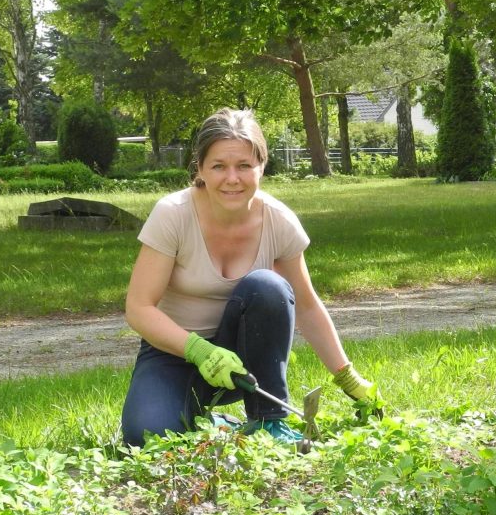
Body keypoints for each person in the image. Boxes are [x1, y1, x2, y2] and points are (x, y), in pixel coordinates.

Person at [121, 108, 378, 447]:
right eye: (219, 166)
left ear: (261, 166)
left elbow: (306, 306)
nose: (233, 178)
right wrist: (198, 350)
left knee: (268, 286)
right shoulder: (172, 215)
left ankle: (268, 420)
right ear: (199, 168)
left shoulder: (278, 220)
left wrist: (347, 377)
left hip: (245, 364)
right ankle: (214, 419)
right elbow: (139, 308)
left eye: (244, 165)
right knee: (147, 436)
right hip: (176, 354)